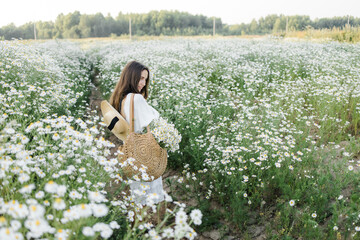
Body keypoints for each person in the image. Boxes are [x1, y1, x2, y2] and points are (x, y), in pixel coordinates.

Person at [109, 60, 165, 205]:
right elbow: (152, 122)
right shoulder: (137, 99)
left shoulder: (121, 99)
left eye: (145, 80)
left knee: (138, 196)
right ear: (131, 77)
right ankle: (153, 224)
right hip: (144, 152)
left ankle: (138, 225)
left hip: (131, 155)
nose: (143, 83)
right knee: (151, 195)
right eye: (140, 78)